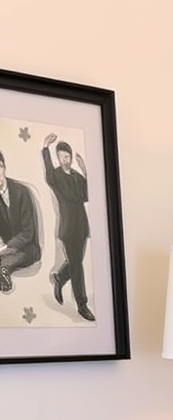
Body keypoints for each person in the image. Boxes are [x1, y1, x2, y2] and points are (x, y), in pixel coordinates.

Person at [42, 132, 93, 322]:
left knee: (75, 262)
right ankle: (82, 304)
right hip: (68, 227)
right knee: (77, 266)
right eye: (63, 156)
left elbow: (88, 195)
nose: (66, 159)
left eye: (68, 156)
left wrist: (85, 170)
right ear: (58, 157)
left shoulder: (78, 177)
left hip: (81, 226)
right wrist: (45, 148)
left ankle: (59, 278)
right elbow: (48, 175)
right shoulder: (55, 176)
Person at [0, 151, 41, 294]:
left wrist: (6, 248)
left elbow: (28, 232)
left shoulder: (21, 192)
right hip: (6, 247)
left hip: (27, 247)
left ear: (4, 167)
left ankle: (4, 270)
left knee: (6, 263)